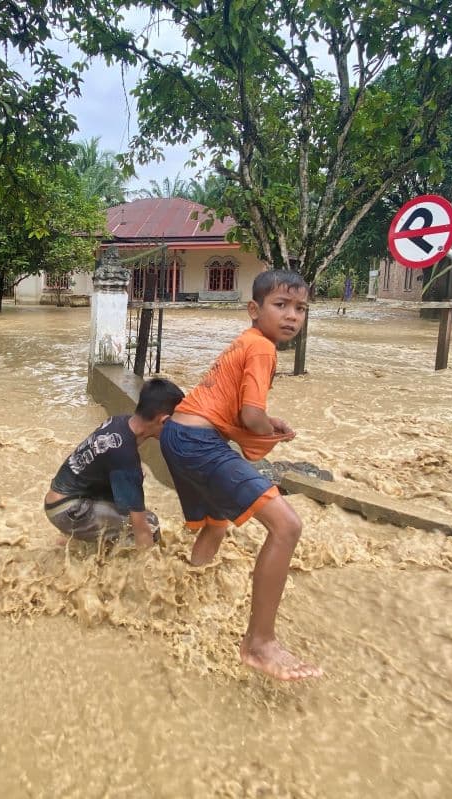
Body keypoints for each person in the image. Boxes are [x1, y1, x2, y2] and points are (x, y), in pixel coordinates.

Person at [160, 269, 322, 682]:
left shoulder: (248, 342)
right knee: (287, 526)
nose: (292, 316)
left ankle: (190, 588)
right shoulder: (263, 348)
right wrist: (270, 432)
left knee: (216, 523)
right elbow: (251, 416)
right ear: (254, 309)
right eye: (280, 305)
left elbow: (236, 411)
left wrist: (267, 424)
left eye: (300, 308)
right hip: (199, 442)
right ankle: (259, 643)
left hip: (178, 435)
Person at [45, 378, 185, 550]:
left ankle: (73, 542)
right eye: (178, 422)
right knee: (150, 523)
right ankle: (111, 563)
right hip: (69, 510)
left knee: (127, 506)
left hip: (59, 499)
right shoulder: (126, 458)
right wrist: (153, 560)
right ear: (164, 421)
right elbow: (142, 530)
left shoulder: (118, 422)